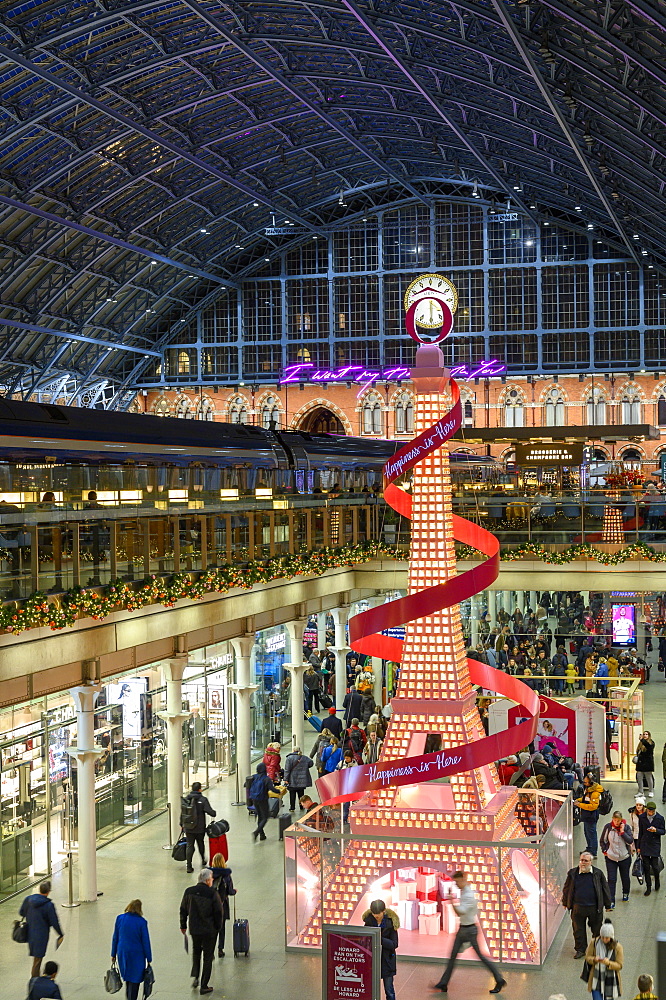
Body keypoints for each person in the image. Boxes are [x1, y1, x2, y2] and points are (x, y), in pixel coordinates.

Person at [432, 870, 507, 993]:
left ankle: (499, 979)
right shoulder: (466, 892)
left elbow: (460, 912)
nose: (456, 884)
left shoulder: (468, 895)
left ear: (462, 879)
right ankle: (444, 983)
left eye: (457, 881)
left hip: (468, 930)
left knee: (476, 956)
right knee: (454, 956)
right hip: (465, 929)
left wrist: (451, 900)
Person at [180, 869, 222, 996]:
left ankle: (196, 978)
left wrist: (183, 925)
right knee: (208, 957)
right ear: (208, 880)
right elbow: (218, 913)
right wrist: (217, 928)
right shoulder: (212, 893)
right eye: (212, 879)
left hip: (195, 930)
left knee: (196, 953)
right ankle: (204, 985)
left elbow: (183, 909)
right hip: (209, 931)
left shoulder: (189, 892)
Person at [561, 851, 611, 959]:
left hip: (594, 908)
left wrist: (608, 905)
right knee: (578, 930)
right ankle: (580, 949)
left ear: (591, 862)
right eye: (581, 860)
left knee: (597, 930)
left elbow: (605, 889)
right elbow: (567, 888)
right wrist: (565, 902)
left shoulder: (598, 874)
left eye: (586, 861)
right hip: (577, 907)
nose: (583, 863)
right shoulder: (573, 873)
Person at [19, 881, 64, 978]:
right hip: (41, 936)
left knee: (36, 959)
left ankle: (36, 979)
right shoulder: (48, 905)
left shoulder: (28, 899)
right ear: (48, 891)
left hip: (30, 933)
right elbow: (54, 922)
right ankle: (34, 981)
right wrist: (60, 934)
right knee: (37, 960)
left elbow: (21, 912)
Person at [111, 899, 152, 1000]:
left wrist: (113, 954)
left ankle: (128, 997)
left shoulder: (120, 918)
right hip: (137, 955)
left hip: (123, 953)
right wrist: (149, 958)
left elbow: (115, 937)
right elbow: (145, 942)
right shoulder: (142, 922)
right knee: (135, 979)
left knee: (127, 978)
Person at [363, 899, 399, 1000]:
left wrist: (378, 938)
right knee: (370, 988)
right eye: (374, 914)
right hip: (372, 960)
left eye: (378, 914)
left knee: (389, 990)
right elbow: (364, 939)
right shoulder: (369, 921)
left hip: (387, 960)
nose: (376, 916)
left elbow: (394, 944)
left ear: (384, 911)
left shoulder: (391, 923)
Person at [600, 811, 634, 908]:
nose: (616, 822)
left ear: (621, 820)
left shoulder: (626, 827)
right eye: (614, 820)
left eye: (618, 820)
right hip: (611, 858)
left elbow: (630, 841)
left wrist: (622, 832)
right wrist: (605, 850)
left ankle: (625, 893)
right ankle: (611, 899)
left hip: (624, 857)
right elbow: (603, 840)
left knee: (625, 877)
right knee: (611, 879)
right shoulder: (608, 827)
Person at [182, 781, 216, 874]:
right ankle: (203, 860)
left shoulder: (186, 799)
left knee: (190, 845)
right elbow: (210, 812)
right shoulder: (203, 799)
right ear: (200, 789)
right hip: (199, 828)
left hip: (188, 827)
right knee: (200, 843)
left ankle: (189, 866)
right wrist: (214, 813)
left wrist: (182, 824)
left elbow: (183, 813)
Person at [583, 921, 623, 1000]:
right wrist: (594, 959)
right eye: (602, 937)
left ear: (611, 937)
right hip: (596, 978)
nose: (604, 939)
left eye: (607, 938)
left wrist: (609, 963)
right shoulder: (594, 942)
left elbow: (619, 965)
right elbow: (587, 957)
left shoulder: (618, 947)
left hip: (611, 980)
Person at [209, 852, 236, 958]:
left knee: (212, 928)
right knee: (221, 928)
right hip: (222, 905)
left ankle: (210, 951)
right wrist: (234, 891)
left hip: (211, 905)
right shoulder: (226, 875)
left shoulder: (209, 874)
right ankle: (220, 949)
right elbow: (229, 890)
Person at [637, 799, 665, 896]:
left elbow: (663, 831)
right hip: (645, 844)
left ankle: (657, 881)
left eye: (652, 811)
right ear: (646, 810)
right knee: (646, 868)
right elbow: (640, 832)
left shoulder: (660, 818)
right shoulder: (642, 817)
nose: (651, 813)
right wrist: (638, 846)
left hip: (654, 844)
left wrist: (656, 830)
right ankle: (648, 887)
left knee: (655, 866)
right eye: (649, 811)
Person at [577, 772, 604, 857]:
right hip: (586, 815)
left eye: (585, 782)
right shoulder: (588, 790)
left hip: (591, 815)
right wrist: (579, 800)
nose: (584, 783)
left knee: (592, 833)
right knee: (587, 832)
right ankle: (589, 848)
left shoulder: (595, 792)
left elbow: (593, 806)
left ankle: (593, 851)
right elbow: (586, 798)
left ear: (590, 783)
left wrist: (579, 805)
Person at [248, 761, 277, 842]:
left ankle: (262, 835)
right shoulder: (266, 779)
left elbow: (246, 784)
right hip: (263, 800)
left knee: (260, 816)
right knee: (265, 817)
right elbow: (272, 789)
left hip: (254, 799)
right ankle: (257, 832)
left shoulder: (254, 777)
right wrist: (279, 791)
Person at [283, 747, 314, 811]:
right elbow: (311, 763)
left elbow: (287, 770)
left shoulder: (289, 758)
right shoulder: (304, 758)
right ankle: (302, 806)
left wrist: (286, 779)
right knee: (301, 793)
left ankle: (292, 807)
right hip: (302, 779)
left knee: (292, 794)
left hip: (292, 779)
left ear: (293, 750)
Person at [635, 731, 655, 796]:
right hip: (640, 763)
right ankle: (640, 791)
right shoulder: (640, 744)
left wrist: (642, 740)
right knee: (639, 777)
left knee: (648, 777)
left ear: (649, 735)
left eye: (646, 734)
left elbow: (649, 748)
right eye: (644, 734)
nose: (645, 735)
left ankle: (651, 791)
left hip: (647, 764)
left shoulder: (651, 743)